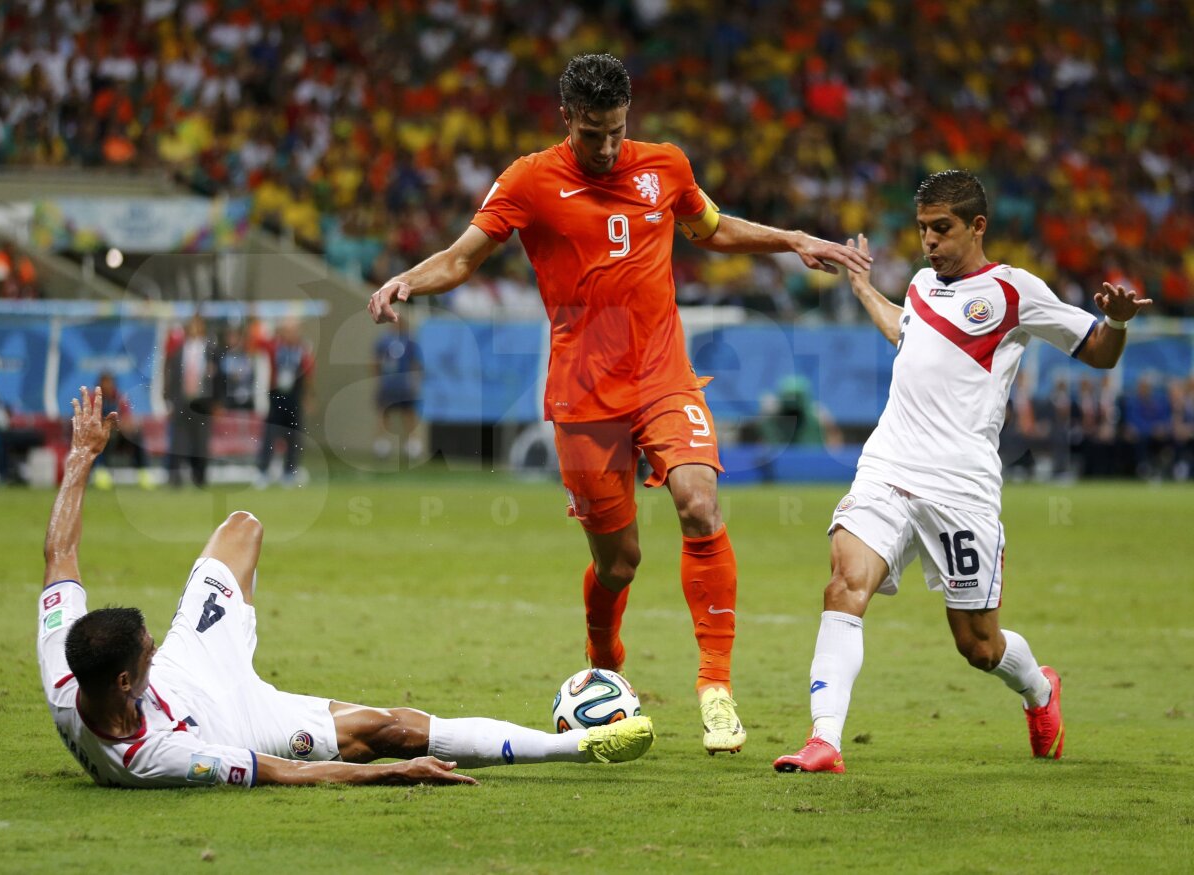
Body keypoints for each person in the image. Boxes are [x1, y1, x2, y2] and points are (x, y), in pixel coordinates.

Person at [368, 53, 871, 754]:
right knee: (619, 564)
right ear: (567, 117)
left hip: (663, 376)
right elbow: (461, 258)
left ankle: (715, 687)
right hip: (583, 396)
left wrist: (790, 239)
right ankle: (604, 660)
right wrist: (407, 281)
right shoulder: (530, 179)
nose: (606, 147)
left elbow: (710, 228)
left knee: (699, 502)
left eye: (616, 131)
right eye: (592, 133)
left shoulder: (666, 165)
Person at [38, 386, 654, 789]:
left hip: (193, 662)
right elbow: (282, 774)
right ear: (126, 681)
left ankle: (227, 634)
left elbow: (59, 555)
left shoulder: (66, 668)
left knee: (241, 528)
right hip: (237, 722)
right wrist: (392, 774)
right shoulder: (155, 759)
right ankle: (576, 746)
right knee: (387, 731)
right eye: (146, 649)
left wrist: (82, 455)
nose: (151, 644)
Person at [773, 170, 1152, 774]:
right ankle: (825, 741)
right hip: (888, 466)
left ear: (977, 226)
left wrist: (1120, 323)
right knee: (844, 584)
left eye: (941, 228)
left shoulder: (1014, 291)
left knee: (978, 645)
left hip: (961, 488)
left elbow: (1100, 354)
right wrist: (862, 285)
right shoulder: (922, 284)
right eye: (922, 228)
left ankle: (1039, 690)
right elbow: (907, 333)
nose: (929, 241)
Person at [256, 318, 314, 488]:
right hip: (276, 396)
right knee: (270, 434)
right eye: (287, 331)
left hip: (293, 396)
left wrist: (308, 396)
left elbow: (309, 373)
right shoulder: (275, 346)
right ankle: (264, 471)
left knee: (293, 435)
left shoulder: (302, 349)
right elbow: (258, 342)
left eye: (293, 331)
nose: (290, 334)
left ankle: (290, 471)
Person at [163, 315, 218, 488]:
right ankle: (175, 477)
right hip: (182, 401)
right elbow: (172, 377)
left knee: (201, 441)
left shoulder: (210, 351)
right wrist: (169, 399)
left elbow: (218, 379)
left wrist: (216, 401)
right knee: (178, 441)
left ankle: (199, 477)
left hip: (202, 403)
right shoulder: (179, 351)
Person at [91, 372, 153, 489]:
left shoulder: (119, 397)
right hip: (99, 435)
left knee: (136, 433)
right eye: (105, 383)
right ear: (99, 384)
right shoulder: (93, 399)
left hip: (117, 433)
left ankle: (143, 472)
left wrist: (127, 425)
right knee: (102, 436)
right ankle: (101, 472)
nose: (107, 385)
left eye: (110, 383)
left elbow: (126, 417)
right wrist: (107, 425)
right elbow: (91, 421)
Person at [372, 320, 424, 461]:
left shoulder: (408, 342)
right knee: (385, 412)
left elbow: (415, 363)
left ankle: (411, 443)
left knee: (407, 412)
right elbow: (376, 361)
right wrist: (379, 379)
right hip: (390, 383)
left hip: (402, 384)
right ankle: (382, 443)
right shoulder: (385, 341)